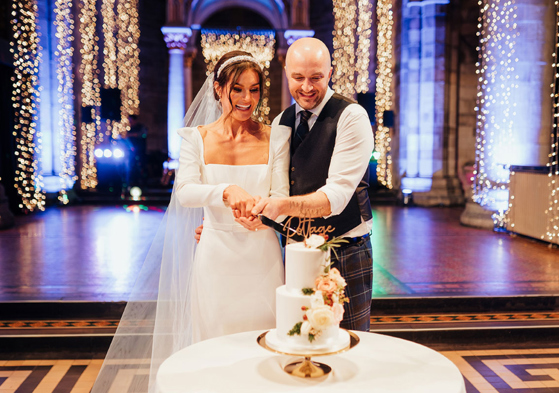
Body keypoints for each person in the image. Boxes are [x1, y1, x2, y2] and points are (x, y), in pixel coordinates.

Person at [91, 51, 290, 393]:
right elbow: (184, 192)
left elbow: (282, 199)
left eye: (255, 90)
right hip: (215, 255)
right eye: (238, 89)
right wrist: (225, 191)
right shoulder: (195, 138)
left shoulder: (277, 137)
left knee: (264, 343)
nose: (247, 99)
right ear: (218, 88)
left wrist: (262, 212)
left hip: (263, 254)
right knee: (213, 344)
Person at [251, 37, 374, 332]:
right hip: (295, 251)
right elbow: (274, 188)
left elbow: (336, 197)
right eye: (298, 78)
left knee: (350, 342)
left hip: (345, 251)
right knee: (299, 338)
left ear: (330, 73)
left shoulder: (351, 117)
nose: (306, 87)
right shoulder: (282, 121)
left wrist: (281, 206)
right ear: (286, 72)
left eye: (316, 77)